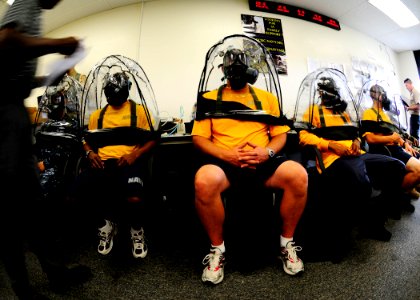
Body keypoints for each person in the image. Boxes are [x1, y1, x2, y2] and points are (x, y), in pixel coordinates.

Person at [192, 48, 308, 285]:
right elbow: (199, 138)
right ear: (223, 71)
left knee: (298, 175)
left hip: (263, 161)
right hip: (225, 162)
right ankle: (218, 250)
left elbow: (280, 135)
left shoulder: (268, 98)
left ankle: (286, 244)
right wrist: (228, 155)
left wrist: (267, 152)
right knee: (203, 180)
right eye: (230, 67)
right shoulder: (208, 98)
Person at [0, 1, 91, 299]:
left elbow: (16, 68)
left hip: (13, 106)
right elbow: (7, 41)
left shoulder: (35, 13)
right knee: (11, 206)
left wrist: (47, 79)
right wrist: (59, 44)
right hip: (3, 111)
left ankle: (56, 273)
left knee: (33, 203)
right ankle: (23, 290)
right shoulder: (25, 3)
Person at [299, 77, 406, 243]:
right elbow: (303, 136)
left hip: (358, 154)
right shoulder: (313, 111)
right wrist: (329, 145)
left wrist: (356, 141)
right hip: (334, 158)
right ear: (320, 93)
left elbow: (355, 133)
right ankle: (370, 224)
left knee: (397, 166)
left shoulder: (343, 114)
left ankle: (377, 212)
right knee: (361, 181)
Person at [81, 71, 156, 259]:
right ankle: (106, 225)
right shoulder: (97, 115)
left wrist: (135, 154)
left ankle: (136, 230)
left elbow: (153, 139)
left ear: (126, 91)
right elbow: (86, 139)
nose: (113, 97)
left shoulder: (139, 111)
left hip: (128, 162)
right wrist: (89, 152)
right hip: (103, 163)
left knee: (134, 198)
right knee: (75, 193)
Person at [361, 84, 420, 201]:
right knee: (418, 170)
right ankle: (397, 193)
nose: (384, 95)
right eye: (381, 93)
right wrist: (392, 139)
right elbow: (370, 139)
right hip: (386, 150)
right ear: (375, 95)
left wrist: (405, 144)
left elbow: (396, 134)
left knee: (417, 154)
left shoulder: (385, 114)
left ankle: (410, 185)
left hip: (396, 147)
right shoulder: (369, 113)